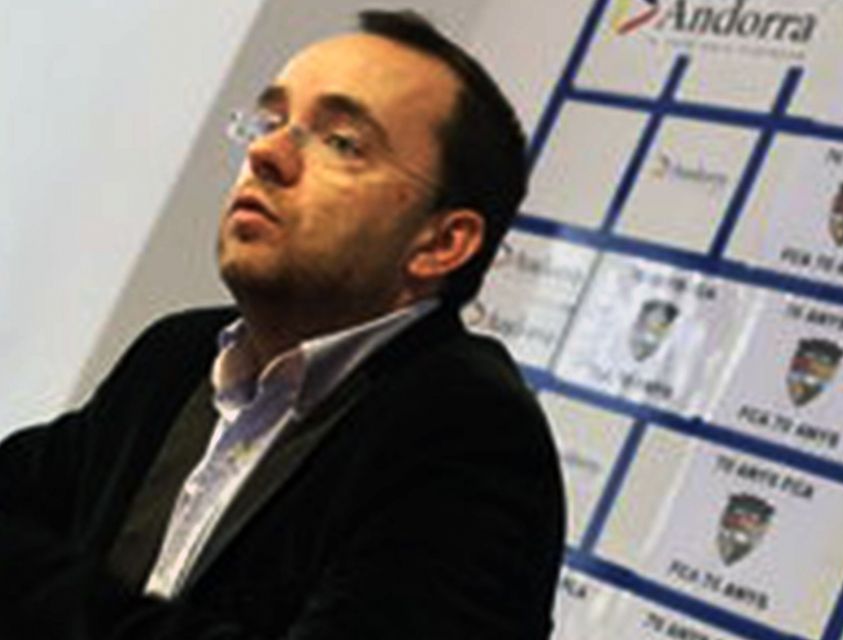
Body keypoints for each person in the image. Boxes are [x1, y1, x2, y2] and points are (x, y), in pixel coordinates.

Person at [0, 9, 565, 640]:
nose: (265, 153)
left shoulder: (469, 434)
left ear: (441, 243)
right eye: (271, 121)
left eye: (341, 142)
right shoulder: (176, 356)